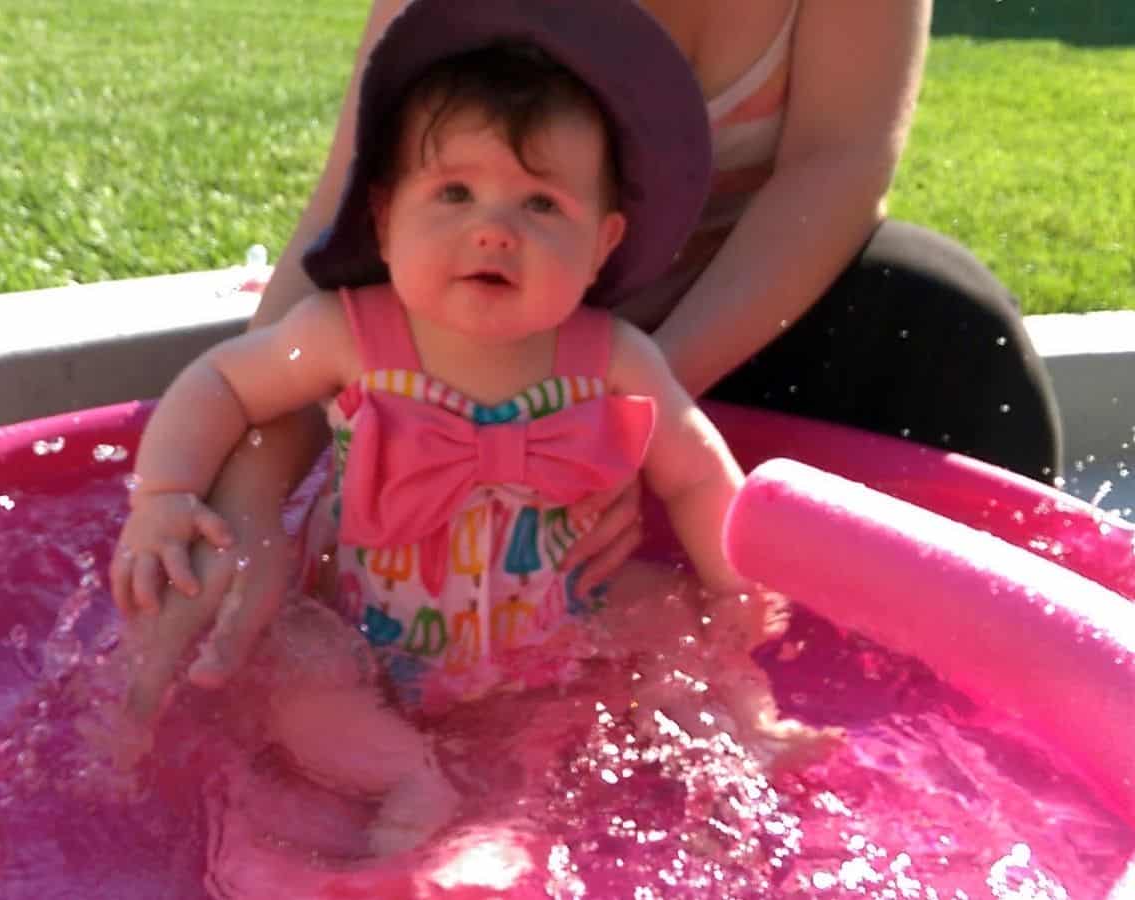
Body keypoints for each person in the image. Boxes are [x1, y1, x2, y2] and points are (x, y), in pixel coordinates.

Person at [116, 0, 1062, 719]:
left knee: (945, 322)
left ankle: (977, 700)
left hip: (717, 328)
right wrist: (247, 501)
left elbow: (840, 167)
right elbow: (342, 218)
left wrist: (622, 413)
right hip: (463, 341)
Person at [110, 0, 829, 851]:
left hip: (553, 624)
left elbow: (697, 472)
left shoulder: (613, 357)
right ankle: (403, 779)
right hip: (369, 630)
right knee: (295, 673)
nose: (493, 228)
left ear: (602, 245)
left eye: (541, 205)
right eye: (454, 192)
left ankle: (742, 733)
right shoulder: (351, 334)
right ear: (384, 217)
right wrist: (165, 495)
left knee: (672, 618)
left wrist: (731, 588)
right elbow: (221, 384)